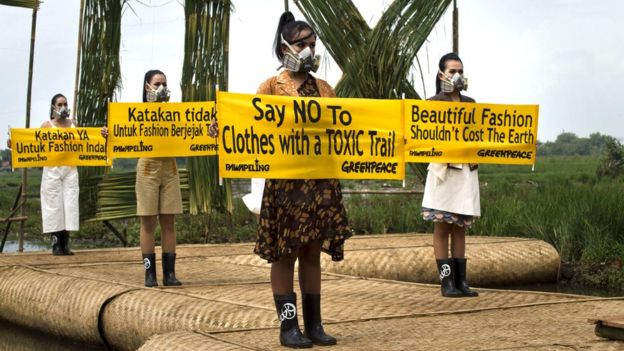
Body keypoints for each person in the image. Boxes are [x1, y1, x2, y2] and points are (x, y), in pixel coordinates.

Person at [214, 11, 352, 348]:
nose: (309, 50)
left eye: (313, 44)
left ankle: (315, 325)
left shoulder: (325, 89)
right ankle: (288, 328)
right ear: (285, 47)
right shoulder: (270, 87)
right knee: (284, 254)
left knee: (311, 252)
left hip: (318, 183)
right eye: (302, 44)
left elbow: (344, 131)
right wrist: (223, 128)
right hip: (284, 184)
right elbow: (248, 124)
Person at [103, 70, 182, 287]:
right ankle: (150, 274)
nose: (162, 87)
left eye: (165, 83)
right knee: (148, 221)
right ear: (147, 86)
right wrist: (107, 134)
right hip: (148, 165)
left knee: (169, 221)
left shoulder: (177, 112)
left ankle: (169, 274)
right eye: (157, 83)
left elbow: (192, 130)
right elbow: (120, 132)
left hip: (170, 166)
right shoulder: (135, 112)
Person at [421, 53, 479, 298]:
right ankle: (446, 283)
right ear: (441, 74)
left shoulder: (471, 103)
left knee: (460, 228)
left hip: (465, 170)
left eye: (460, 71)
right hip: (442, 171)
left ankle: (461, 281)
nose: (457, 76)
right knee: (442, 227)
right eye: (453, 71)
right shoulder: (432, 104)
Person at [37, 94, 79, 255]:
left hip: (70, 170)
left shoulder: (74, 124)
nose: (63, 106)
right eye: (60, 104)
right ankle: (55, 243)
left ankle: (65, 243)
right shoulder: (47, 125)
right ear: (53, 107)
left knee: (70, 205)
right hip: (52, 170)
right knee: (54, 205)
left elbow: (85, 142)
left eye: (65, 103)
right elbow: (34, 145)